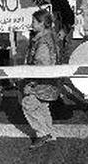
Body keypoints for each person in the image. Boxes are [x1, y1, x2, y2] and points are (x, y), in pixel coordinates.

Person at [21, 9, 60, 150]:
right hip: (51, 83)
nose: (31, 24)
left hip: (41, 83)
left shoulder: (42, 43)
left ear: (42, 23)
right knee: (43, 107)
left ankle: (42, 133)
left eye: (34, 22)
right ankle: (49, 132)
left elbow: (41, 68)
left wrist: (31, 85)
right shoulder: (50, 36)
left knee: (28, 104)